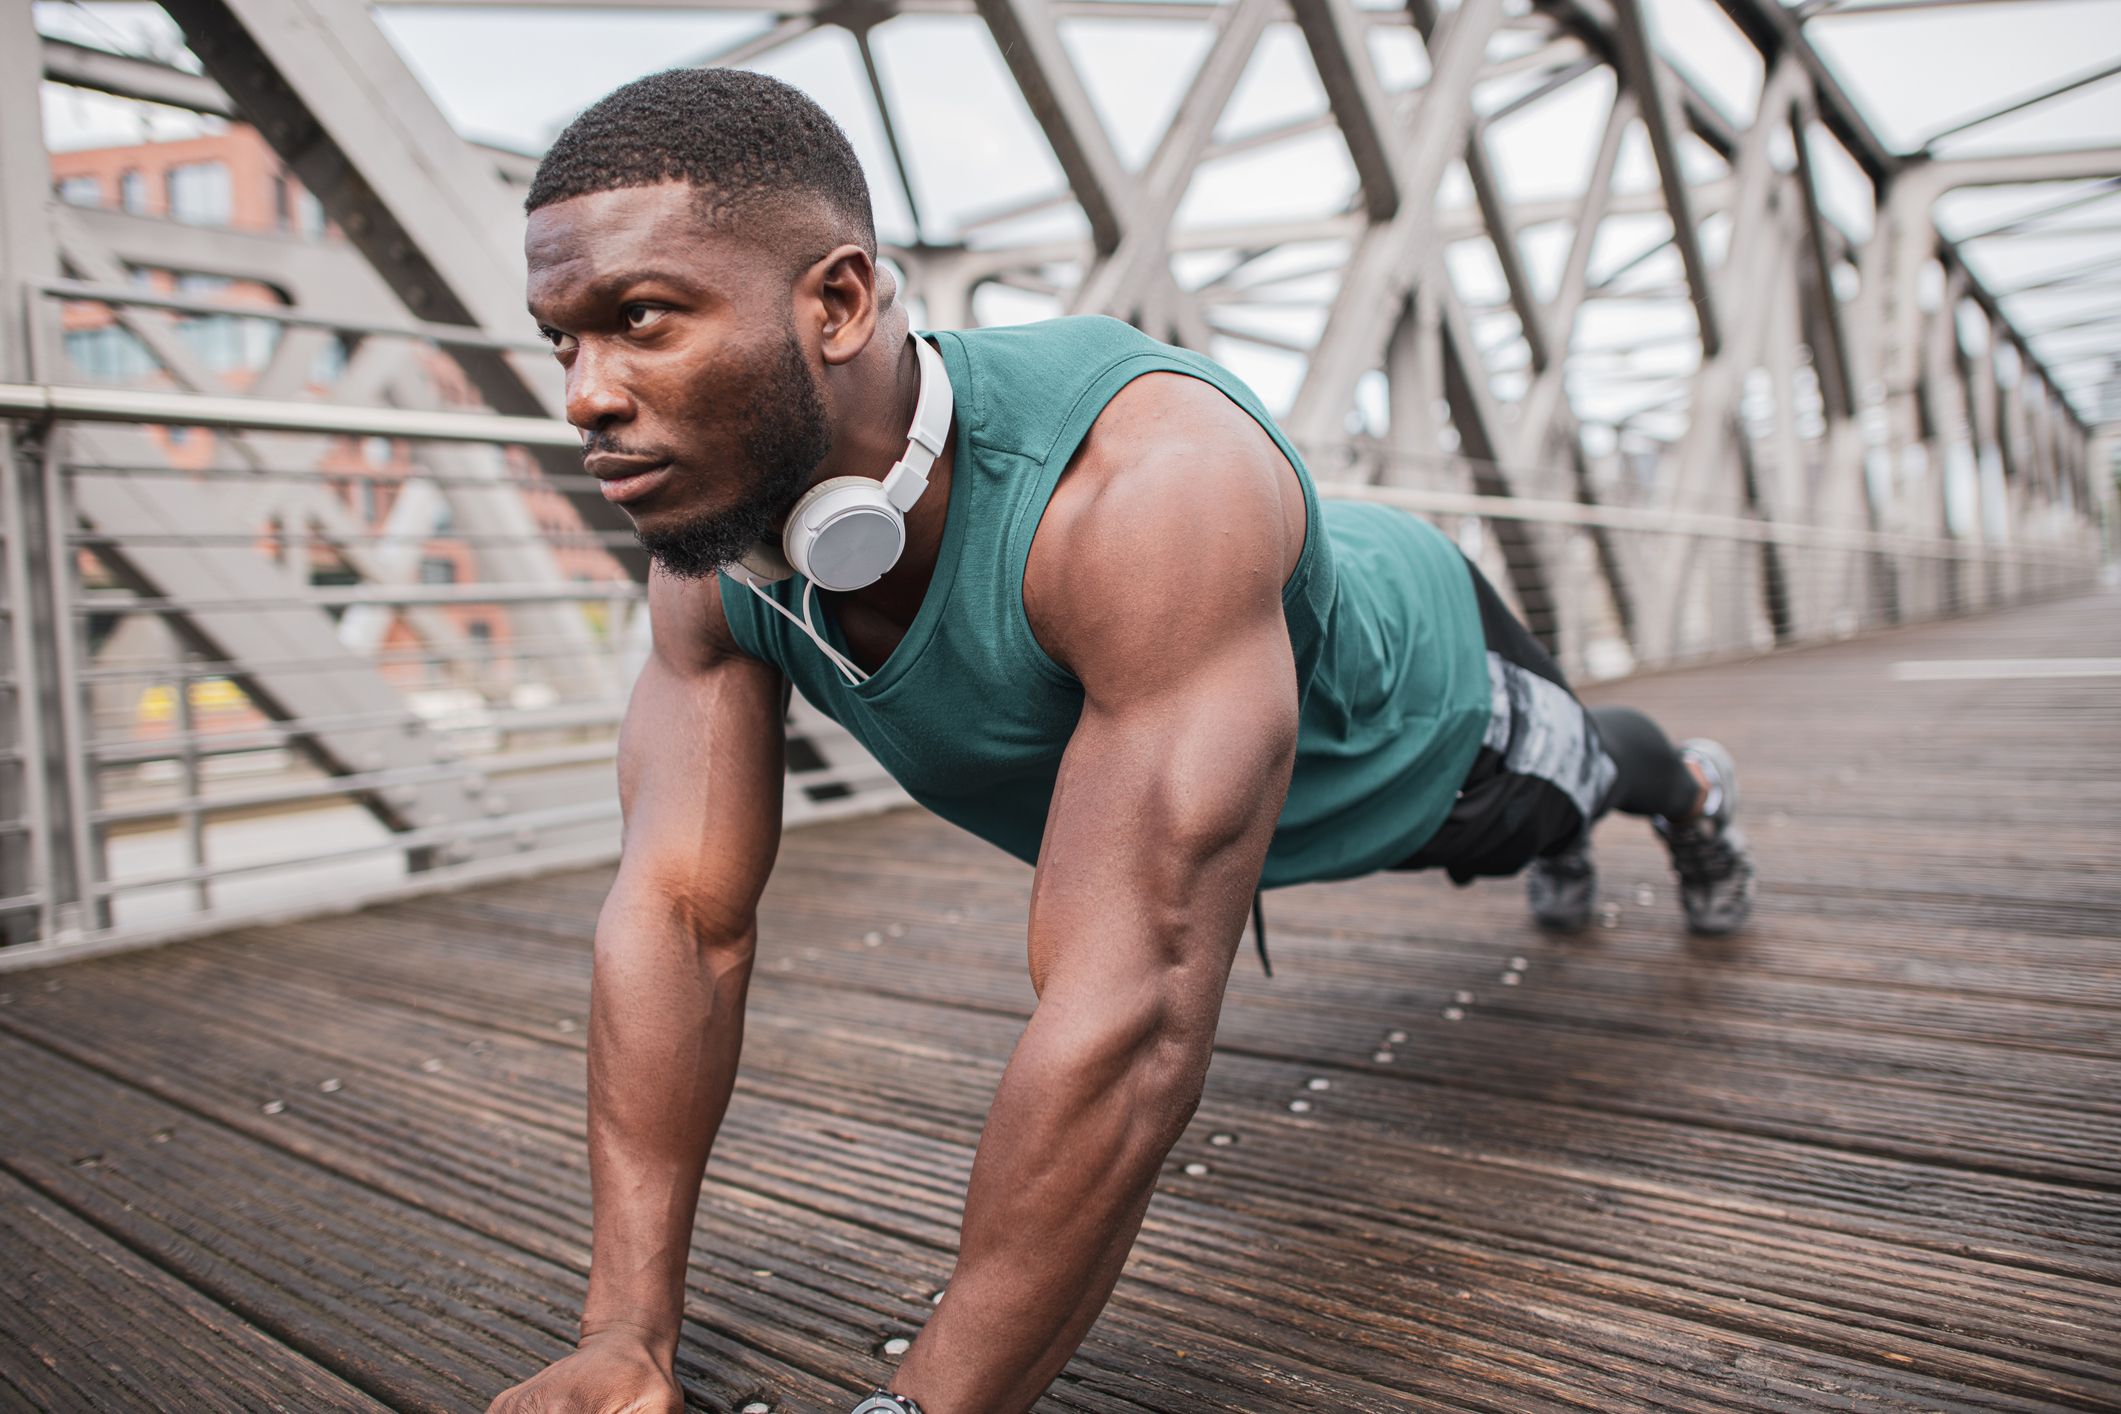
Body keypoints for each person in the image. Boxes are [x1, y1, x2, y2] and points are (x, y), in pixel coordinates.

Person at [491, 66, 1754, 1414]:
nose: (584, 397)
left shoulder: (1149, 491)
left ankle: (1687, 789)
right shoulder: (717, 550)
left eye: (639, 320)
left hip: (1423, 720)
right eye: (563, 340)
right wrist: (626, 1332)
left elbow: (1132, 1012)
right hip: (1212, 770)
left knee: (1568, 794)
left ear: (840, 302)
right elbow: (680, 916)